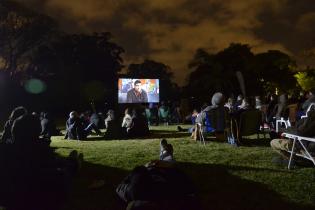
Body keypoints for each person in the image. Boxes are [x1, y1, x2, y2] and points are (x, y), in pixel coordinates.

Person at [115, 139, 198, 210]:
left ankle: (165, 152)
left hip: (151, 171)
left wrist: (144, 167)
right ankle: (165, 152)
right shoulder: (168, 196)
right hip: (163, 171)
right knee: (168, 160)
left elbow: (121, 185)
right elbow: (188, 187)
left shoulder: (131, 192)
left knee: (164, 160)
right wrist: (171, 167)